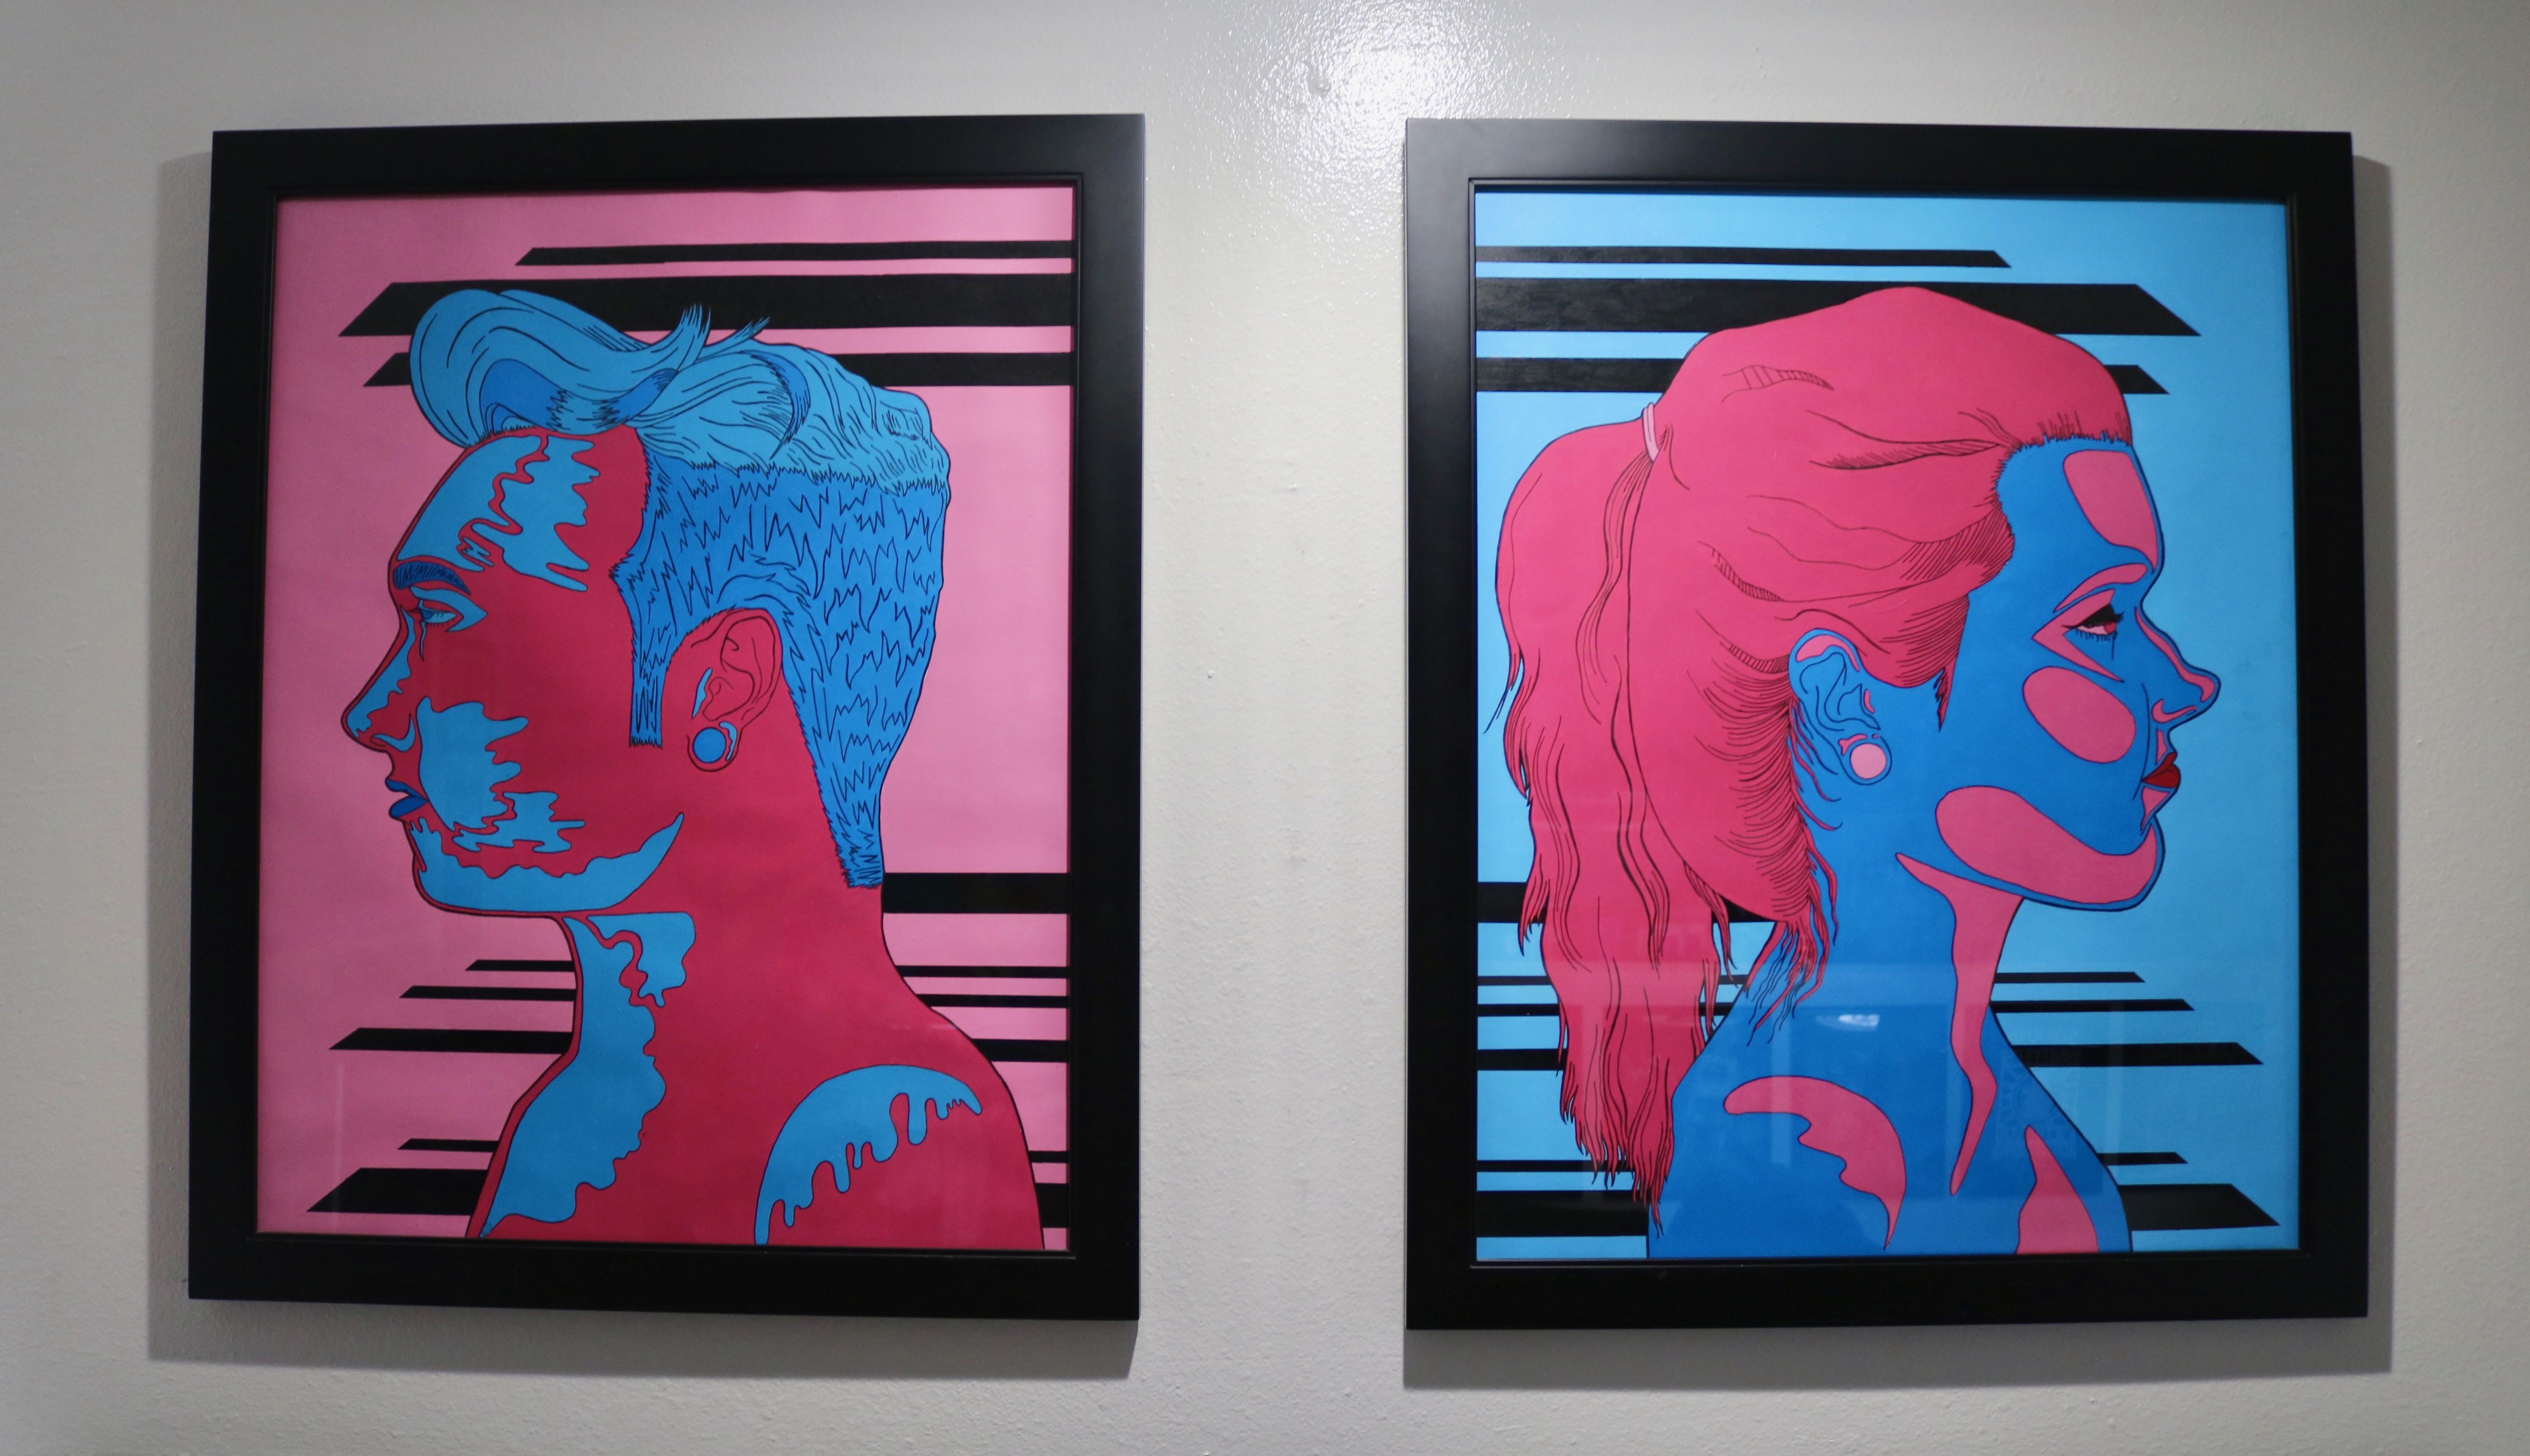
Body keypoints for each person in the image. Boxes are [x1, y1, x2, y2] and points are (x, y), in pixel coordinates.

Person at [1497, 287, 2219, 1256]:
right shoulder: (1788, 1156)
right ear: (1845, 698)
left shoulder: (1965, 1091)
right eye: (2099, 619)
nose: (2187, 684)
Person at [342, 289, 1043, 1248]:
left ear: (721, 684)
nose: (372, 714)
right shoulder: (570, 1117)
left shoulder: (884, 1131)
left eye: (449, 626)